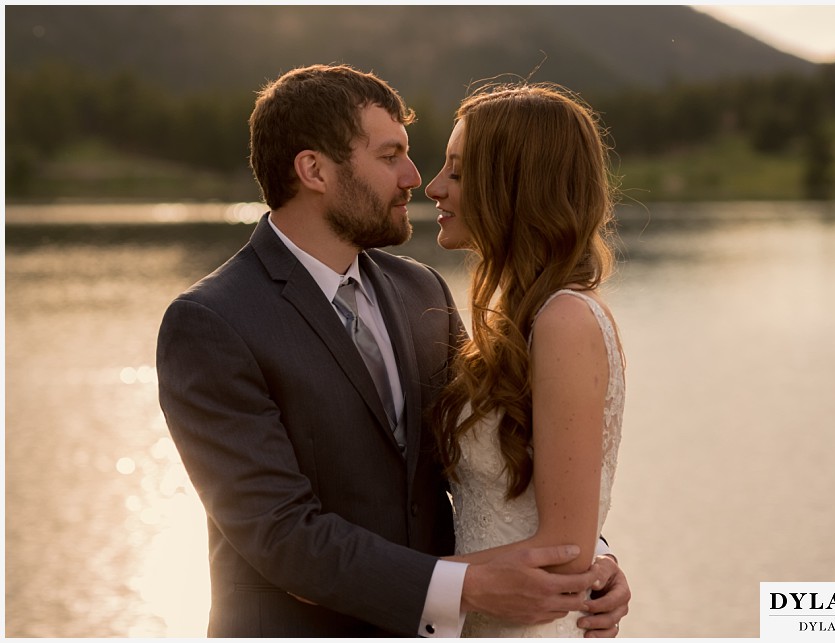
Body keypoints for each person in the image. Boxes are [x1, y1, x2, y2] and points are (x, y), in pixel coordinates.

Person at [156, 64, 629, 637]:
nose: (414, 177)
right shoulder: (212, 322)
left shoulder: (419, 290)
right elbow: (282, 536)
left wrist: (588, 556)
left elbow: (501, 450)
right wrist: (471, 586)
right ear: (314, 170)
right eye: (389, 156)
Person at [425, 82, 627, 637]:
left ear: (514, 187)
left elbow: (564, 552)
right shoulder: (522, 319)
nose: (435, 187)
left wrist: (389, 583)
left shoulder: (564, 322)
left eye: (459, 173)